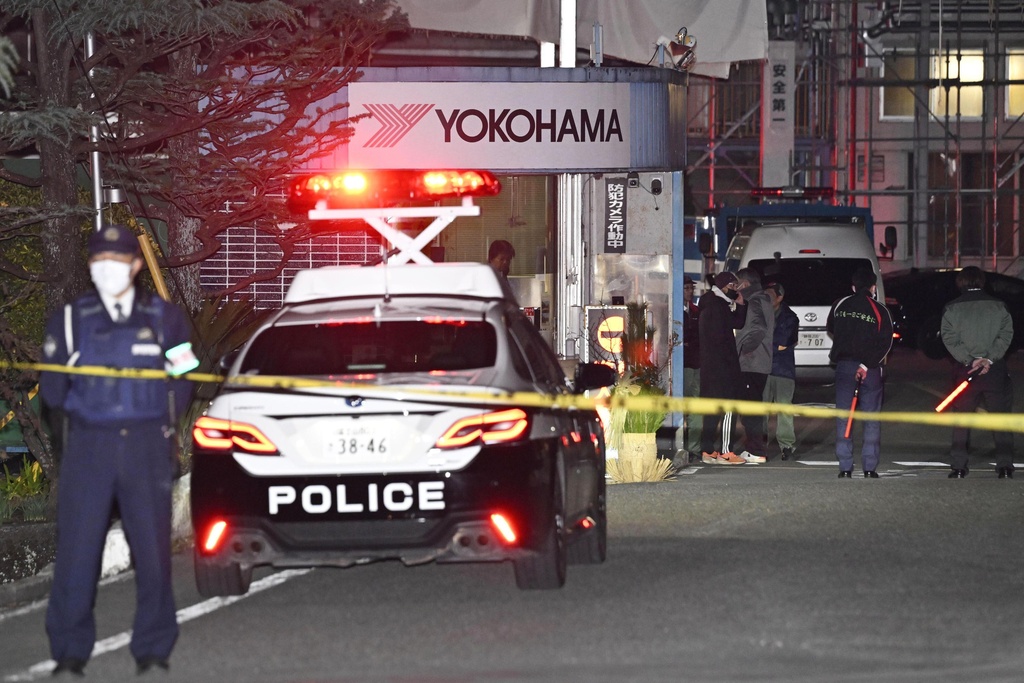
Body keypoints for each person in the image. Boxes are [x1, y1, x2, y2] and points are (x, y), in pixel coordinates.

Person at [39, 224, 196, 676]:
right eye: (99, 260)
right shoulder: (70, 320)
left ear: (134, 265)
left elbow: (185, 374)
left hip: (147, 446)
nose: (108, 268)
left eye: (117, 260)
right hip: (90, 448)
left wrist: (163, 425)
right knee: (77, 552)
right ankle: (69, 651)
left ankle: (153, 648)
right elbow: (52, 389)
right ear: (91, 266)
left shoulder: (164, 318)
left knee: (152, 553)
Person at [939, 266, 1015, 478]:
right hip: (994, 370)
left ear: (960, 282)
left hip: (965, 370)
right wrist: (989, 358)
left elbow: (949, 339)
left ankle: (959, 466)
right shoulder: (999, 306)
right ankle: (1005, 466)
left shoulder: (952, 308)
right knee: (1000, 418)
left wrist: (970, 360)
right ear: (982, 282)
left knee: (962, 420)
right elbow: (1006, 335)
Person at [826, 266, 893, 479]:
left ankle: (845, 467)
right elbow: (886, 342)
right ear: (873, 287)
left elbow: (831, 328)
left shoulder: (840, 305)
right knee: (871, 417)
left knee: (844, 417)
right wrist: (866, 364)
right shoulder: (880, 310)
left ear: (853, 286)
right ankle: (869, 467)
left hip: (844, 366)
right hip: (870, 369)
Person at [698, 271, 748, 465]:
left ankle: (708, 450)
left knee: (711, 409)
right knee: (728, 407)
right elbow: (728, 331)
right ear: (725, 286)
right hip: (722, 366)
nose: (735, 290)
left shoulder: (710, 302)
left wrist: (740, 303)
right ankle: (726, 451)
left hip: (710, 367)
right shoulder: (717, 306)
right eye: (733, 287)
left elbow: (737, 322)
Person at [734, 268, 774, 464]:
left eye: (738, 282)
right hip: (759, 363)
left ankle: (755, 450)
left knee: (750, 409)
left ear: (746, 284)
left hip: (752, 362)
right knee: (753, 406)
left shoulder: (755, 301)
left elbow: (758, 328)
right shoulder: (763, 299)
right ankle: (755, 449)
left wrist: (744, 348)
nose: (735, 286)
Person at [763, 282, 800, 460]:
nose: (767, 298)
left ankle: (787, 446)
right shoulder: (759, 313)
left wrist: (766, 346)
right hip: (763, 368)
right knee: (761, 408)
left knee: (784, 409)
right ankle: (760, 445)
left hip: (783, 370)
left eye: (770, 294)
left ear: (780, 297)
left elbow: (784, 342)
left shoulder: (790, 317)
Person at [675, 275, 702, 464]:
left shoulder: (696, 310)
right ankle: (680, 446)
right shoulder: (674, 311)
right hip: (680, 365)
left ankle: (694, 449)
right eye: (686, 288)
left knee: (696, 408)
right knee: (680, 407)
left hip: (695, 363)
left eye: (691, 288)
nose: (689, 291)